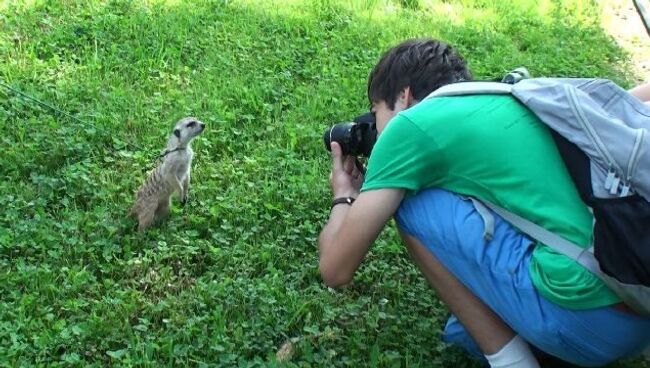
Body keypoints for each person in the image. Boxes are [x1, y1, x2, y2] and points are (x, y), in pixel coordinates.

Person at [318, 38, 650, 368]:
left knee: (410, 202)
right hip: (636, 312)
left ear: (403, 96)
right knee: (461, 331)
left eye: (376, 113)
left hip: (585, 322)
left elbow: (335, 269)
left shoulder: (408, 127)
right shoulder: (510, 97)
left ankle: (512, 362)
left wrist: (344, 193)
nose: (376, 131)